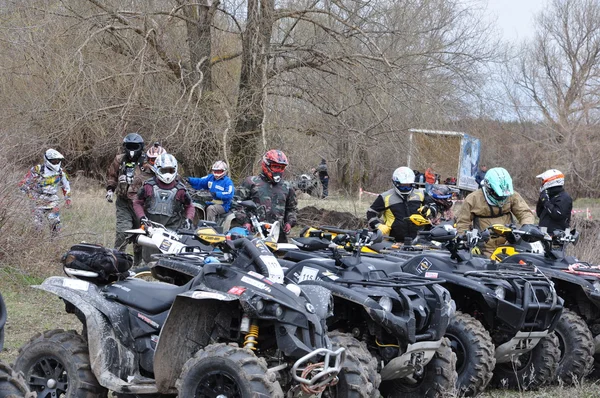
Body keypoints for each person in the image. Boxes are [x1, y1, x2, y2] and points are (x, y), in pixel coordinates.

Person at [456, 167, 535, 255]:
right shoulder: (473, 199)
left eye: (504, 196)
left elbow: (524, 212)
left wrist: (527, 225)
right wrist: (468, 241)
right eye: (498, 195)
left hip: (509, 244)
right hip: (484, 248)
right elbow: (463, 223)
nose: (502, 198)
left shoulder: (512, 195)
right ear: (488, 188)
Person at [133, 153, 195, 262]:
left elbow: (189, 205)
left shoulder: (180, 189)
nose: (167, 174)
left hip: (173, 228)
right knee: (149, 259)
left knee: (171, 259)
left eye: (170, 171)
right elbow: (137, 202)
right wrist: (142, 217)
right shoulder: (148, 185)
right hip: (152, 227)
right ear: (157, 169)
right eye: (164, 170)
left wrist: (188, 219)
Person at [106, 133, 152, 265]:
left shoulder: (147, 162)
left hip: (142, 205)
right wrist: (110, 189)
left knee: (141, 236)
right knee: (122, 232)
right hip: (123, 202)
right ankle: (116, 261)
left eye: (134, 146)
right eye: (129, 146)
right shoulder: (119, 160)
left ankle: (139, 265)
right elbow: (112, 175)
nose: (132, 149)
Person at [237, 149, 297, 243]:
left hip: (278, 234)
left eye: (281, 167)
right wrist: (245, 222)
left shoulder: (287, 187)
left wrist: (290, 223)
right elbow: (237, 204)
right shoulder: (251, 182)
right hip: (254, 233)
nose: (278, 170)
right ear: (266, 165)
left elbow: (292, 208)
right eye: (275, 166)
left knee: (282, 257)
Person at [366, 167, 437, 243]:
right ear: (395, 183)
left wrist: (430, 210)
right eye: (403, 186)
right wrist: (378, 225)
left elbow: (434, 206)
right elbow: (371, 213)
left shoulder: (421, 194)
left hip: (420, 239)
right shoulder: (385, 197)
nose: (406, 188)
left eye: (408, 185)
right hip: (393, 240)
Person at [19, 149, 71, 235]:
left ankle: (54, 243)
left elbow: (66, 187)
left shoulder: (60, 172)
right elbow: (22, 184)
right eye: (54, 160)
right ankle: (36, 243)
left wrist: (68, 199)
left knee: (55, 223)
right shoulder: (37, 170)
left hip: (53, 200)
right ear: (48, 160)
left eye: (58, 160)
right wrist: (31, 196)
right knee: (37, 225)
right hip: (37, 200)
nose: (56, 162)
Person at [535, 169, 572, 234]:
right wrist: (542, 199)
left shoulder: (564, 197)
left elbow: (557, 214)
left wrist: (546, 201)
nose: (542, 183)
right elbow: (539, 214)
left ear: (550, 181)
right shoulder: (549, 195)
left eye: (543, 181)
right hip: (544, 234)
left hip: (557, 237)